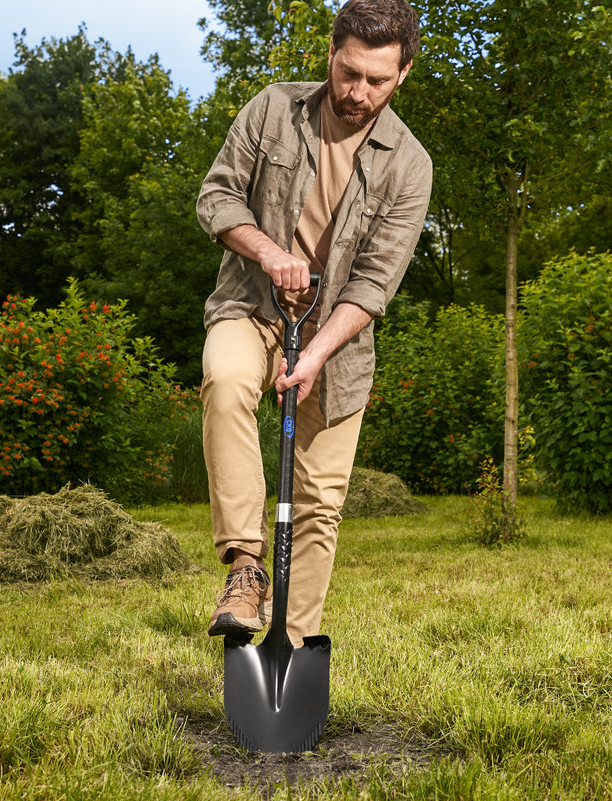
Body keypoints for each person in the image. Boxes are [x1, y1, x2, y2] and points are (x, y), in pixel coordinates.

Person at [196, 0, 432, 646]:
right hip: (253, 306)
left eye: (376, 80)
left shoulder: (410, 164)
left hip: (337, 342)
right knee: (225, 378)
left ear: (403, 73)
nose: (358, 92)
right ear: (331, 53)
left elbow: (375, 282)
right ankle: (245, 568)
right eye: (348, 72)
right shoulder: (274, 109)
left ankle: (291, 651)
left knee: (319, 504)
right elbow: (216, 197)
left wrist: (318, 353)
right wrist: (270, 253)